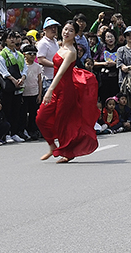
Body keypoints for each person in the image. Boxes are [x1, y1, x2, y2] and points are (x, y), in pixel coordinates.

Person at [36, 22, 100, 163]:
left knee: (63, 122)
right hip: (56, 89)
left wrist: (49, 90)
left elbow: (60, 73)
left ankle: (68, 152)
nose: (67, 32)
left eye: (71, 31)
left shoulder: (71, 52)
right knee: (40, 118)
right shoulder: (59, 45)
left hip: (65, 90)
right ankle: (53, 146)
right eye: (65, 29)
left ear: (76, 34)